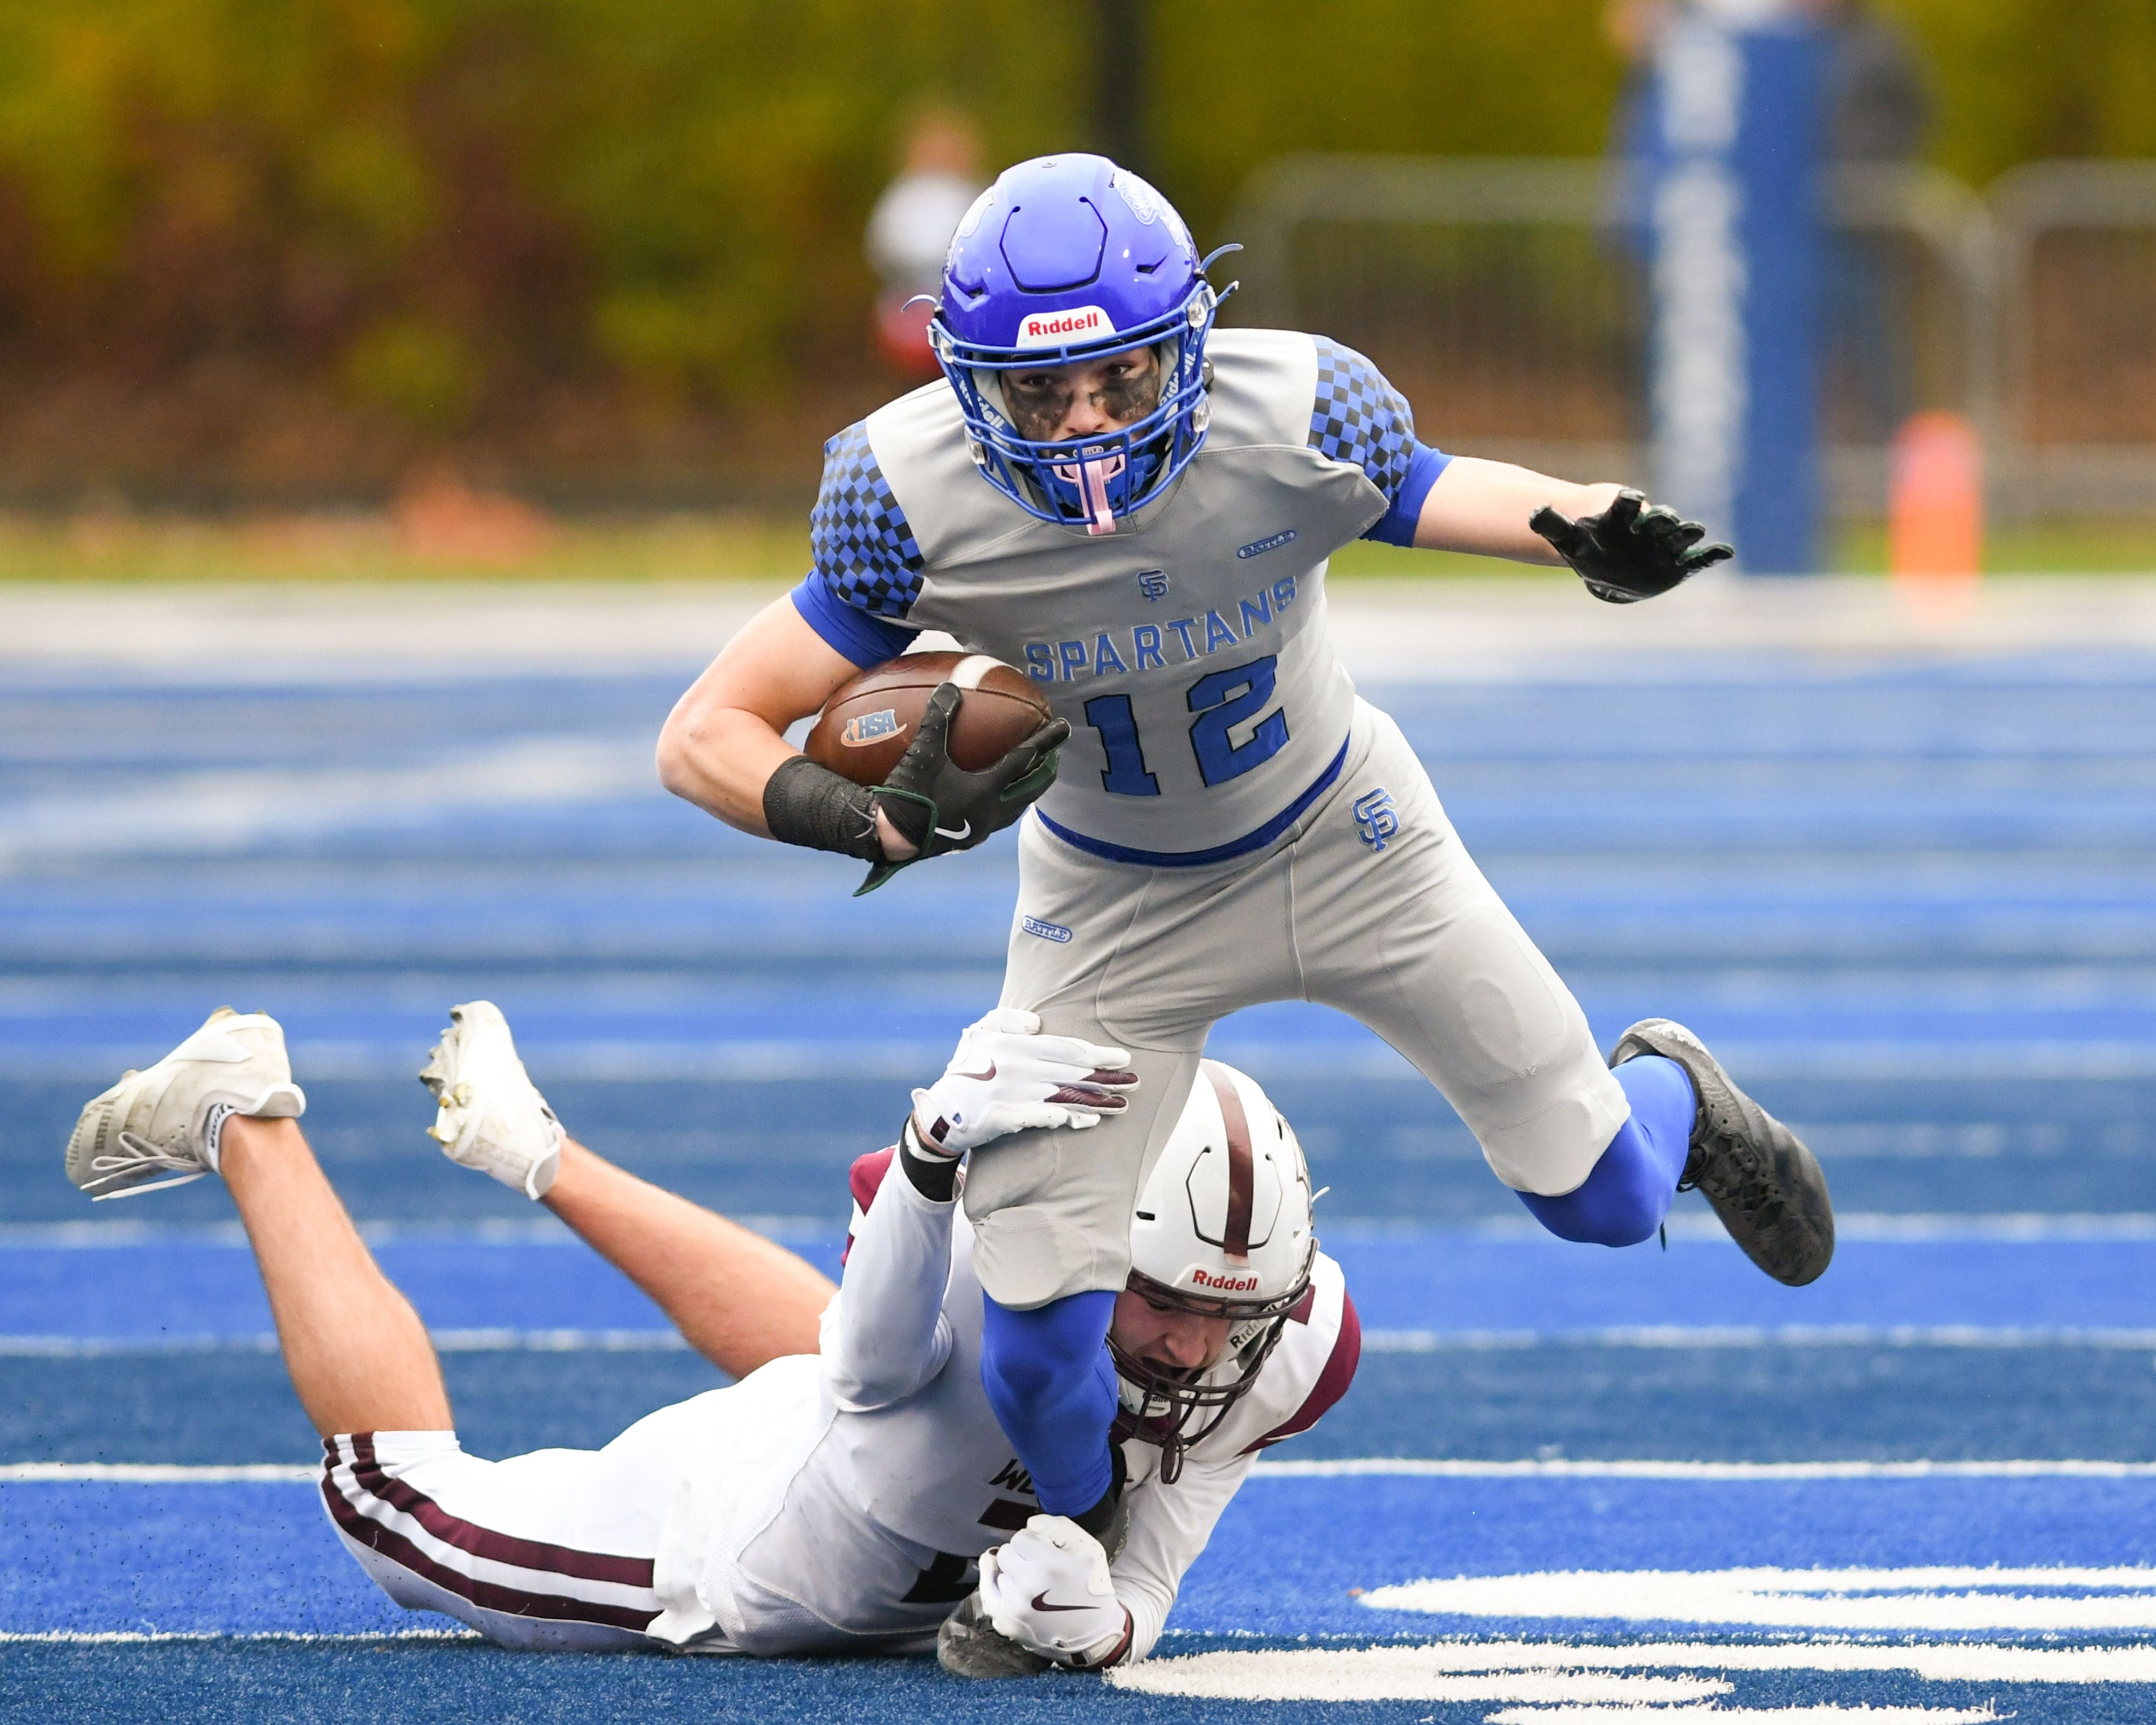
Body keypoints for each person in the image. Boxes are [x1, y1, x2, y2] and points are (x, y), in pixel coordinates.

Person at [654, 153, 1834, 1569]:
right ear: (971, 382)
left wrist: (1581, 522)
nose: (1084, 423)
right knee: (1032, 1348)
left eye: (1122, 379)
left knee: (1606, 1203)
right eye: (1040, 393)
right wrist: (863, 820)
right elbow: (701, 734)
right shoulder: (904, 495)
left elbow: (1441, 487)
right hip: (1112, 898)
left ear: (1189, 348)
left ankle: (1674, 1103)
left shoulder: (1294, 412)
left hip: (1352, 838)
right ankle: (1085, 1531)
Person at [63, 1002, 1359, 1674]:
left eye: (1226, 1315)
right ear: (1082, 1247)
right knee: (390, 1503)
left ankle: (536, 1151)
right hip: (712, 1554)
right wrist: (923, 1165)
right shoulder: (989, 1245)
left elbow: (1151, 1576)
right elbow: (862, 1364)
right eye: (1166, 1304)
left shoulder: (1293, 1340)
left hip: (871, 1481)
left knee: (896, 1404)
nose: (1195, 1352)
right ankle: (244, 1112)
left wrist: (1104, 1633)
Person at [865, 108, 985, 381]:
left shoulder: (977, 193)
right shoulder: (904, 197)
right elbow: (885, 250)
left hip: (967, 309)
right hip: (912, 309)